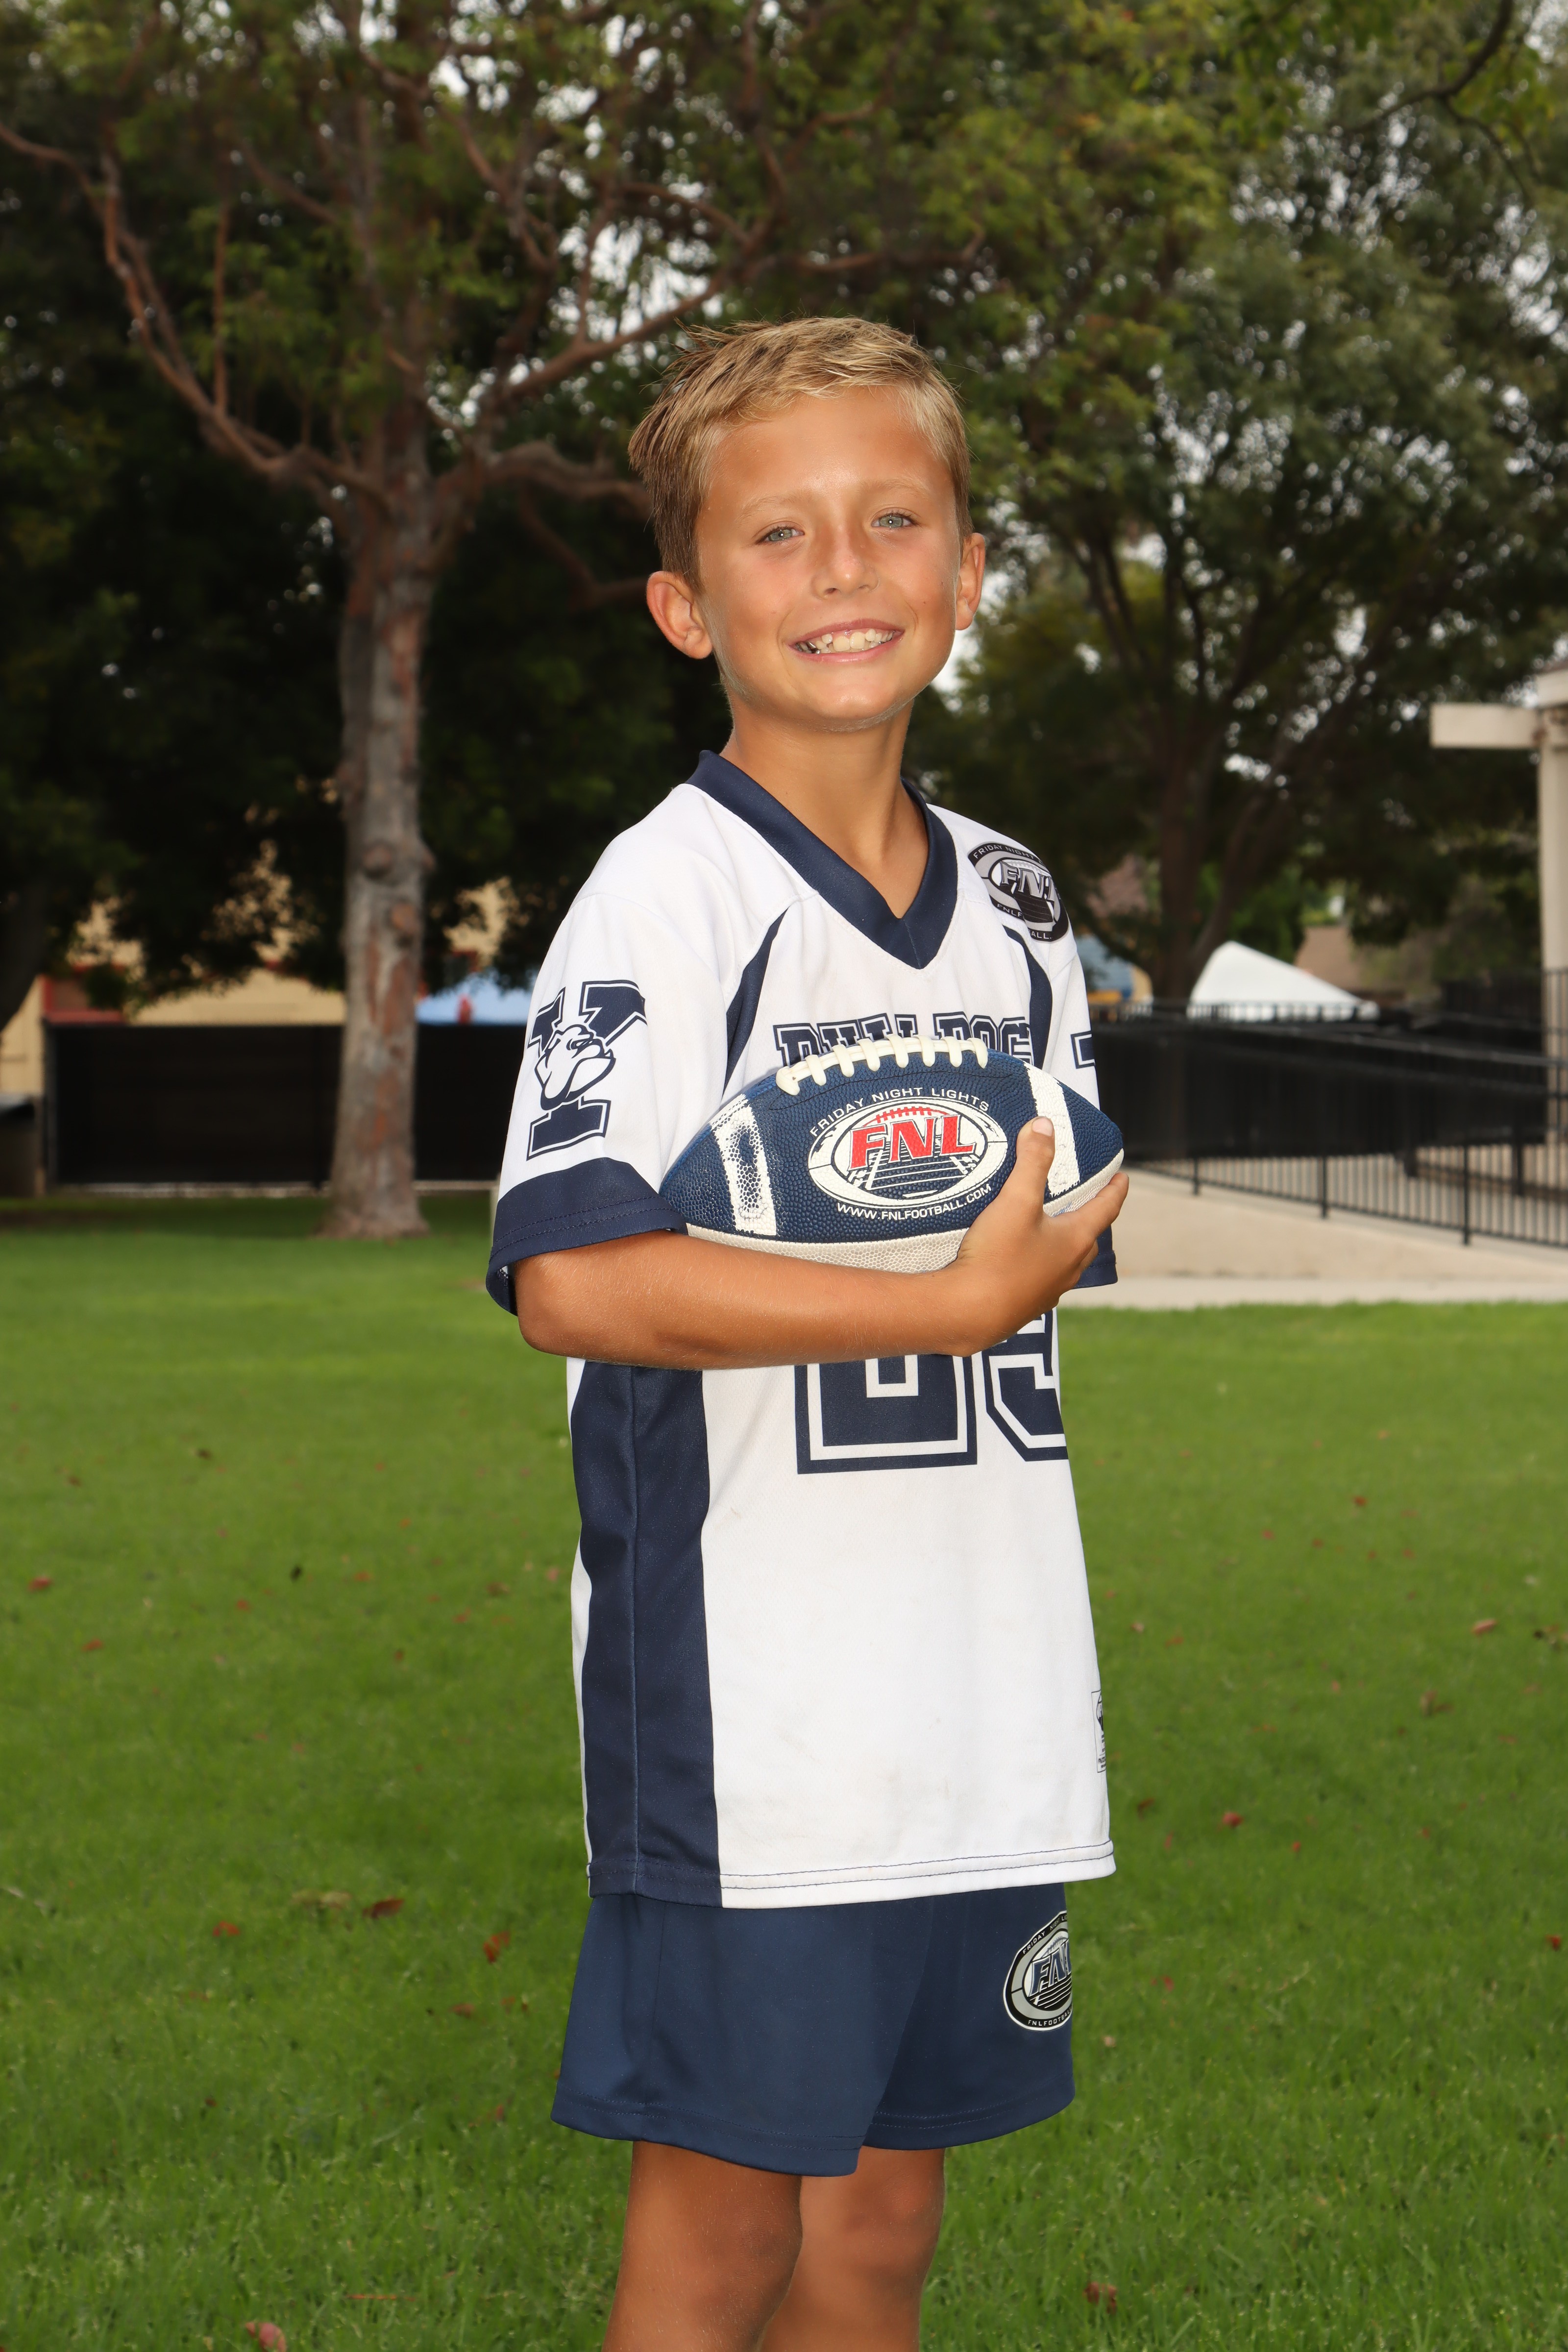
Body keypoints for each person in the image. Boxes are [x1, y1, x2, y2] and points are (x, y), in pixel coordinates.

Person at [485, 316, 1128, 2351]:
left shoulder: (1017, 903)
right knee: (722, 2240)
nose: (842, 569)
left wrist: (994, 1278)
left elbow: (1050, 1229)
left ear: (967, 569)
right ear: (688, 606)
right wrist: (933, 1299)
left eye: (891, 520)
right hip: (757, 1717)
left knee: (880, 2231)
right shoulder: (663, 899)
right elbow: (574, 1279)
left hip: (976, 1684)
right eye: (777, 532)